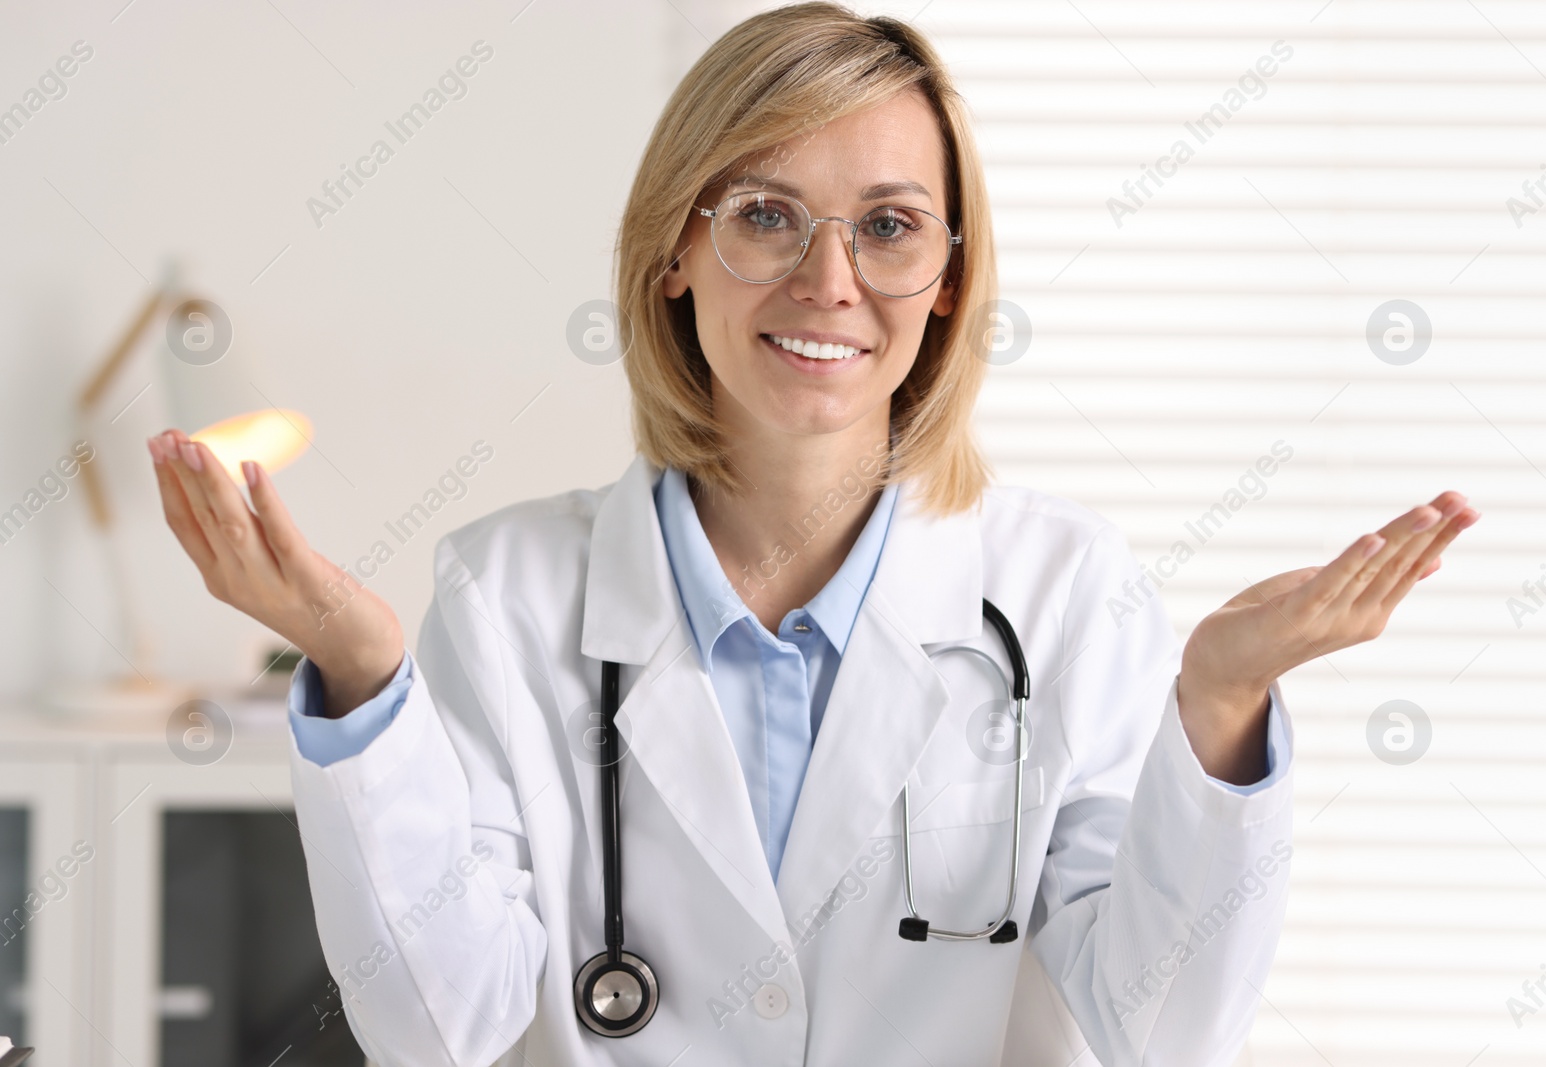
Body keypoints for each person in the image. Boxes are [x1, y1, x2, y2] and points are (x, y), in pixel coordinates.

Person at [147, 4, 1478, 1064]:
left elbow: (1164, 1030)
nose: (829, 281)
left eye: (891, 227)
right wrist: (367, 684)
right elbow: (444, 1031)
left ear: (948, 280)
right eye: (767, 215)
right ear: (676, 247)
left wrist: (1226, 701)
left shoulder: (1068, 594)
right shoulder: (508, 595)